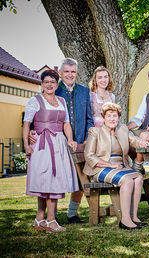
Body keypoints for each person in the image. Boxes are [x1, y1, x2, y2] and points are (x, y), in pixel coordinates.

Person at [30, 58, 94, 223]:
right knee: (52, 177)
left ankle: (72, 214)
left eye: (73, 72)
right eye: (66, 71)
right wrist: (31, 131)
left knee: (80, 179)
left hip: (79, 141)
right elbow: (37, 115)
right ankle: (52, 215)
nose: (70, 75)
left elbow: (90, 118)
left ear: (77, 73)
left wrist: (87, 138)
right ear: (60, 73)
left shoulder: (85, 91)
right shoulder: (53, 90)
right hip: (56, 142)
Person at [23, 70, 78, 233]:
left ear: (56, 84)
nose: (49, 84)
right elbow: (26, 124)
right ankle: (48, 220)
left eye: (52, 82)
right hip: (41, 144)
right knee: (45, 180)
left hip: (59, 143)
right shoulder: (35, 100)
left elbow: (66, 124)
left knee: (54, 180)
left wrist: (70, 140)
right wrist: (26, 145)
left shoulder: (61, 101)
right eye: (46, 81)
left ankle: (42, 220)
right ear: (42, 84)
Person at [83, 103, 149, 230]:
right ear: (103, 118)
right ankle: (125, 220)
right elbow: (89, 156)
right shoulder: (95, 131)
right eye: (109, 116)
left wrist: (142, 142)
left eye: (115, 116)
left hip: (120, 166)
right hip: (100, 168)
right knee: (128, 180)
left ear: (119, 118)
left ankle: (134, 217)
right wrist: (110, 165)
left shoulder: (123, 129)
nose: (112, 119)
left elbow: (134, 140)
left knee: (139, 178)